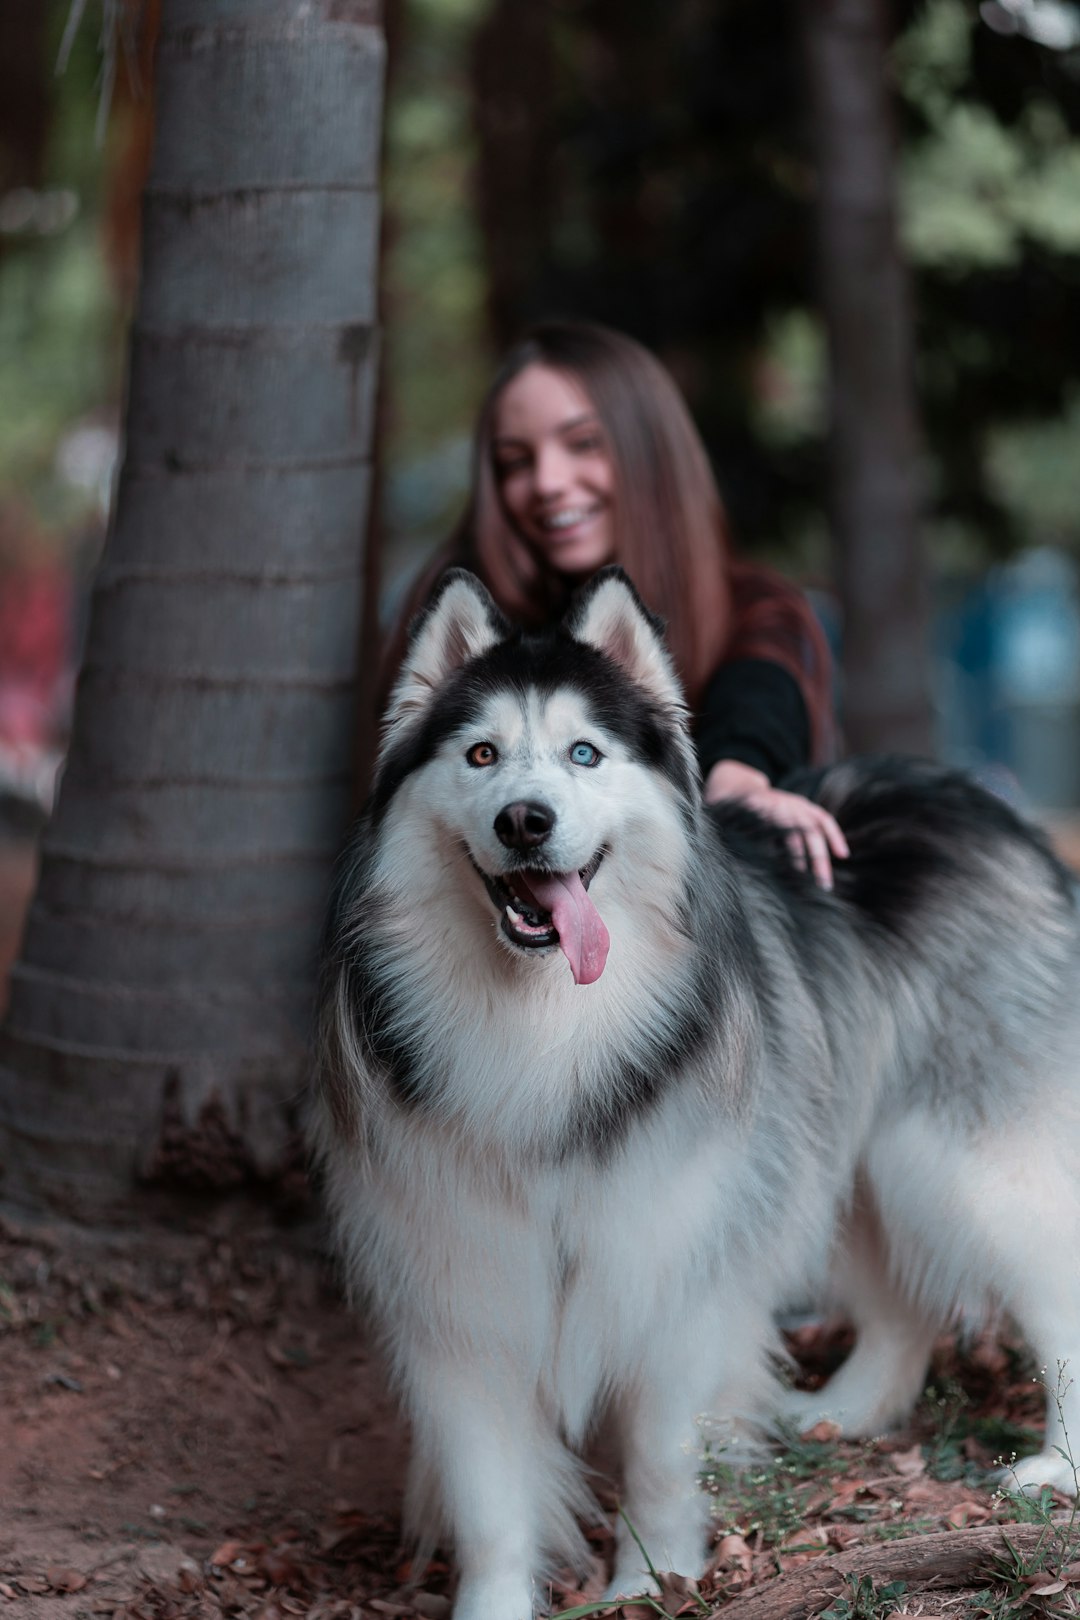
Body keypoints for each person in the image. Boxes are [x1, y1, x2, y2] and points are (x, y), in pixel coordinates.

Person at [383, 320, 848, 886]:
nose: (548, 482)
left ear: (649, 452)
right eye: (515, 461)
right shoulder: (451, 607)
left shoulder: (756, 607)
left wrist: (740, 781)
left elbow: (756, 699)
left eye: (584, 443)